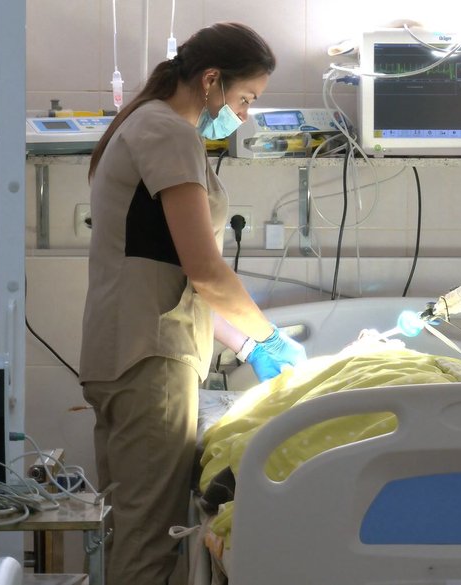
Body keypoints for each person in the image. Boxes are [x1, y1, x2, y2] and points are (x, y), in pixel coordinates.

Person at [79, 22, 306, 584]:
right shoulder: (169, 132)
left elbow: (169, 273)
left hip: (125, 353)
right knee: (149, 543)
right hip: (150, 363)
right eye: (245, 98)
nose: (246, 114)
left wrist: (248, 345)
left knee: (133, 530)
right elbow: (205, 271)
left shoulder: (142, 123)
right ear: (211, 80)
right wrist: (270, 336)